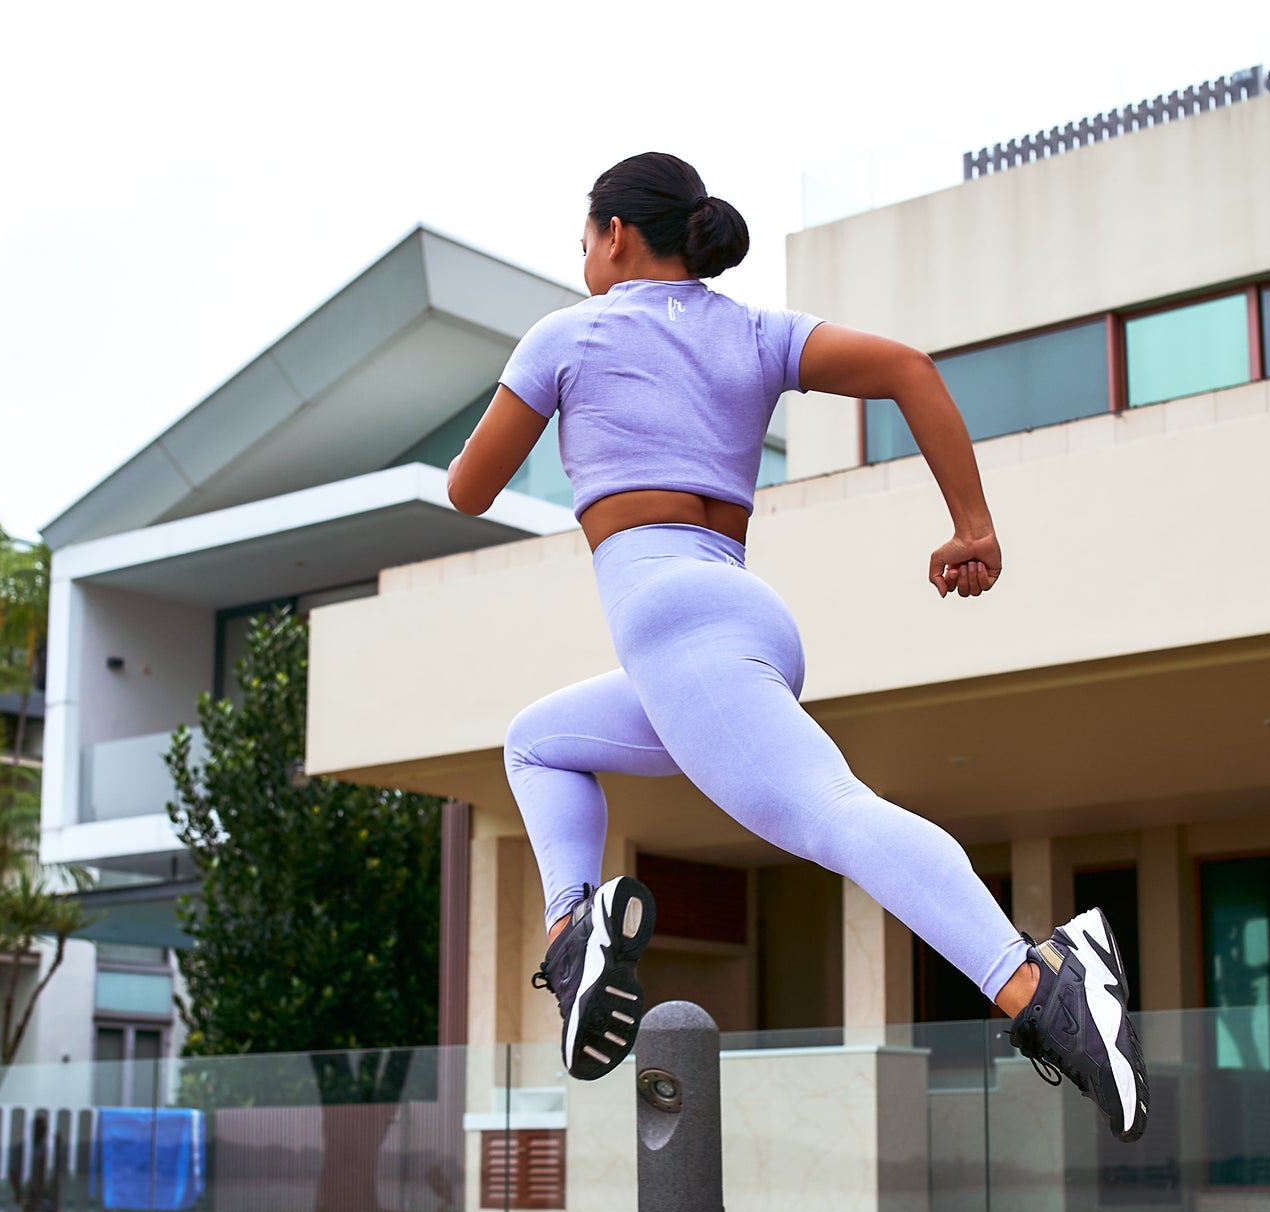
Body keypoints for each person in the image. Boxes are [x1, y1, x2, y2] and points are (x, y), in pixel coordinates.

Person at [446, 152, 1146, 1142]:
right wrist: (972, 525)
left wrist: (542, 398)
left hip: (671, 620)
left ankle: (1040, 983)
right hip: (737, 616)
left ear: (611, 234)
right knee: (540, 740)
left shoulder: (567, 333)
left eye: (584, 239)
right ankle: (572, 938)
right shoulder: (756, 332)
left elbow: (468, 488)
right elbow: (908, 369)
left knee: (833, 816)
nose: (583, 257)